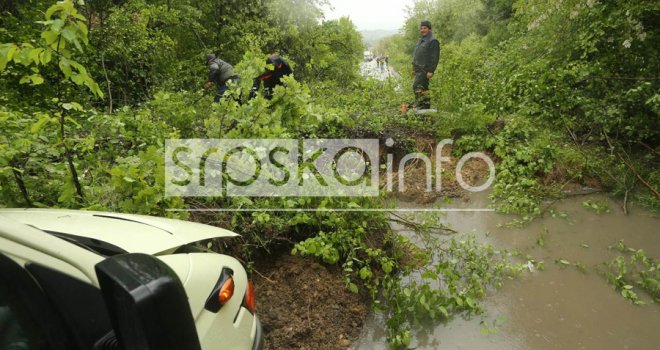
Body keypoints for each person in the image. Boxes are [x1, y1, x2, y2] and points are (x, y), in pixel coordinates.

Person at [412, 20, 440, 110]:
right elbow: (417, 55)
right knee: (423, 89)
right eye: (421, 28)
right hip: (418, 69)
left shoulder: (433, 41)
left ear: (429, 29)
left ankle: (421, 106)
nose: (422, 30)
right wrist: (414, 68)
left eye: (425, 28)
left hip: (425, 70)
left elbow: (434, 57)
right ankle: (425, 107)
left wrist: (431, 70)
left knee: (417, 87)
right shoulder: (421, 40)